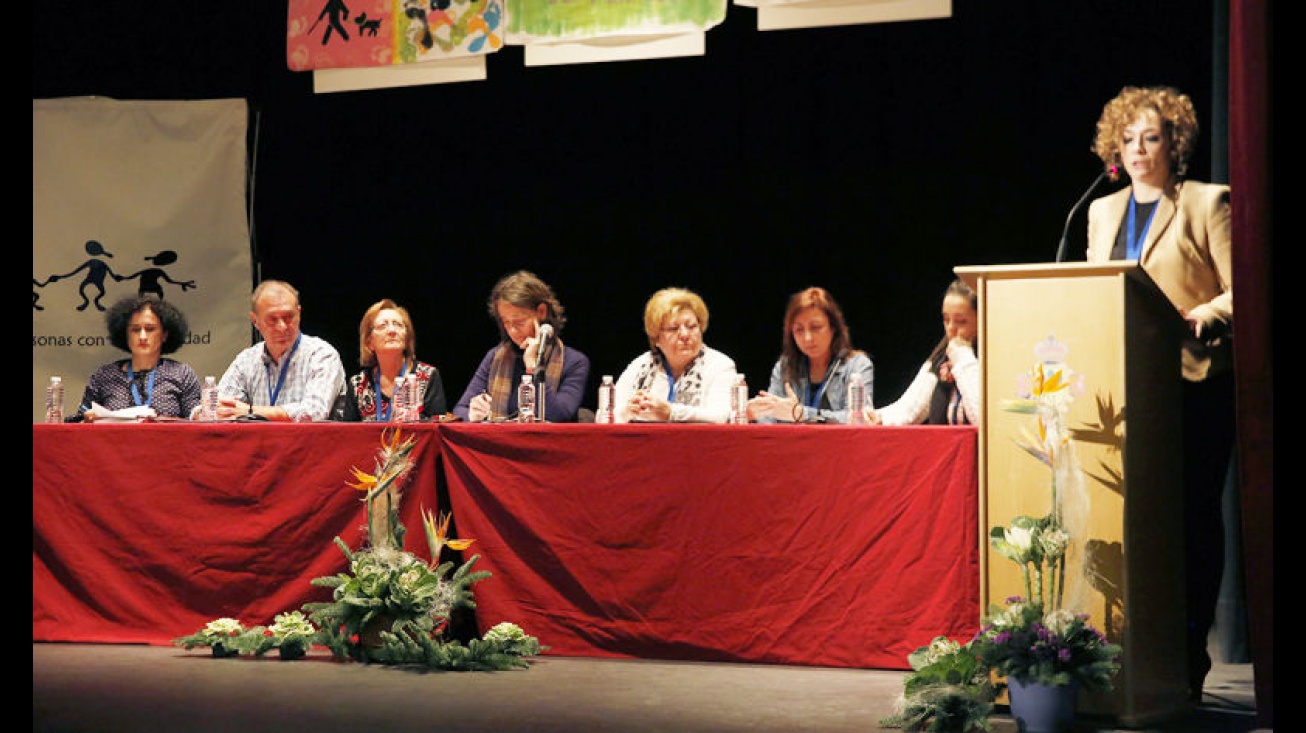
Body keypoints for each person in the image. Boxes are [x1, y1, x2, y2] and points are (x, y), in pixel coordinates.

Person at [1085, 85, 1233, 702]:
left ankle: (1191, 649)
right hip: (1124, 392)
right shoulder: (1099, 211)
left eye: (1152, 137)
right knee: (1132, 524)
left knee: (1191, 521)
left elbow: (1243, 287)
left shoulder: (1206, 203)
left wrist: (1205, 314)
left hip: (1192, 388)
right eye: (1129, 138)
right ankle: (1134, 649)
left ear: (1174, 142)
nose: (1139, 149)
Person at [452, 270, 591, 422]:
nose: (512, 330)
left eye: (519, 322)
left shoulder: (574, 362)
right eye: (506, 322)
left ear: (541, 312)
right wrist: (473, 414)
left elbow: (558, 417)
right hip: (500, 443)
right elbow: (460, 410)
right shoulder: (496, 357)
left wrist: (533, 368)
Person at [205, 279, 346, 421]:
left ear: (299, 313)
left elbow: (314, 412)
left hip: (310, 442)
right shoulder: (246, 360)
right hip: (258, 442)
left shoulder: (322, 355)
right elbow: (216, 406)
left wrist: (250, 411)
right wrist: (213, 409)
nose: (282, 327)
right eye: (272, 319)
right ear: (255, 321)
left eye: (289, 317)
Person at [745, 286, 875, 424]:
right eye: (799, 330)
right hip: (792, 444)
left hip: (839, 444)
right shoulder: (785, 367)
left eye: (816, 327)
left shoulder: (857, 365)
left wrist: (801, 414)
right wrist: (756, 412)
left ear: (833, 328)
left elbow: (860, 418)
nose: (807, 338)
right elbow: (768, 420)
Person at [613, 287, 738, 423]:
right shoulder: (641, 366)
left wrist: (671, 413)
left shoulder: (720, 365)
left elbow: (720, 417)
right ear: (656, 338)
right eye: (673, 329)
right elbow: (606, 414)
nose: (684, 335)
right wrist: (628, 411)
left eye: (691, 326)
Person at [69, 294, 202, 422]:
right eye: (135, 329)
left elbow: (197, 421)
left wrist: (199, 413)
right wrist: (86, 420)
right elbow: (79, 423)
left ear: (164, 335)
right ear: (125, 335)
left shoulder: (182, 374)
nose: (142, 336)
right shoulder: (103, 376)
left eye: (150, 329)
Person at [868, 278, 980, 426]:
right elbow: (908, 410)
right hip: (945, 447)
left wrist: (964, 358)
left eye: (961, 321)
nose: (951, 328)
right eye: (946, 320)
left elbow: (983, 419)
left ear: (982, 319)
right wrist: (879, 418)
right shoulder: (940, 359)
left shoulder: (993, 358)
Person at [338, 298, 448, 422]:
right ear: (369, 343)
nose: (392, 331)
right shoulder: (358, 385)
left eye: (398, 325)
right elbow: (348, 435)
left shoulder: (428, 376)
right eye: (382, 326)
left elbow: (436, 431)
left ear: (406, 338)